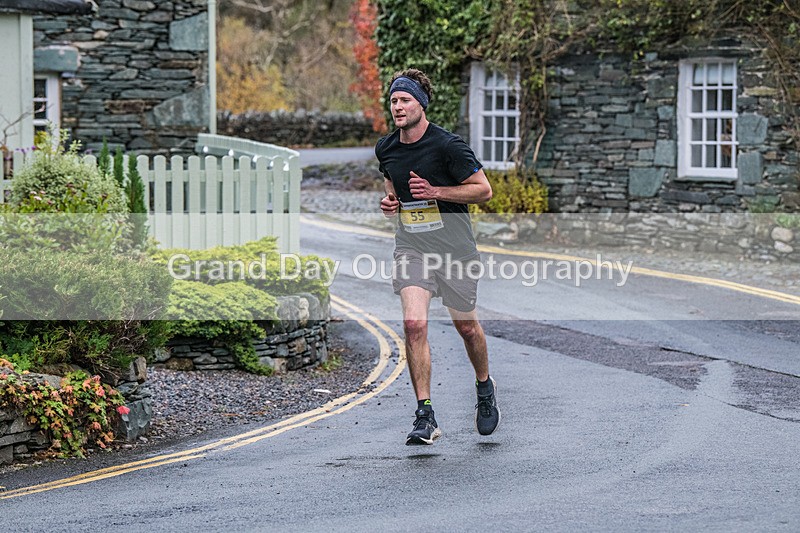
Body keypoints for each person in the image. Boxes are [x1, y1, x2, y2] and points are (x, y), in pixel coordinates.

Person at [375, 68, 500, 445]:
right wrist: (391, 203)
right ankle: (425, 414)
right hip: (412, 247)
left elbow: (484, 191)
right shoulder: (386, 147)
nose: (397, 107)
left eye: (405, 100)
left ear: (421, 104)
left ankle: (484, 387)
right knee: (414, 326)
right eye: (393, 100)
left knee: (466, 328)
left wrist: (436, 192)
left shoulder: (449, 145)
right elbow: (393, 187)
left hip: (455, 250)